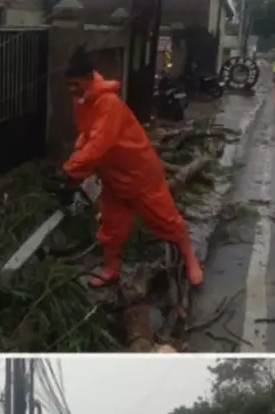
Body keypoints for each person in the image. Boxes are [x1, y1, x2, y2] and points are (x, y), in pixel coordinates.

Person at [63, 46, 204, 289]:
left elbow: (99, 143)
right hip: (113, 177)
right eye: (69, 85)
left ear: (88, 79)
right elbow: (86, 136)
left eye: (75, 84)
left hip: (140, 176)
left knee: (167, 221)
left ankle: (190, 260)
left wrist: (70, 170)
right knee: (111, 226)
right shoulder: (82, 103)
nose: (72, 90)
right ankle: (111, 270)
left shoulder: (109, 104)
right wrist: (73, 165)